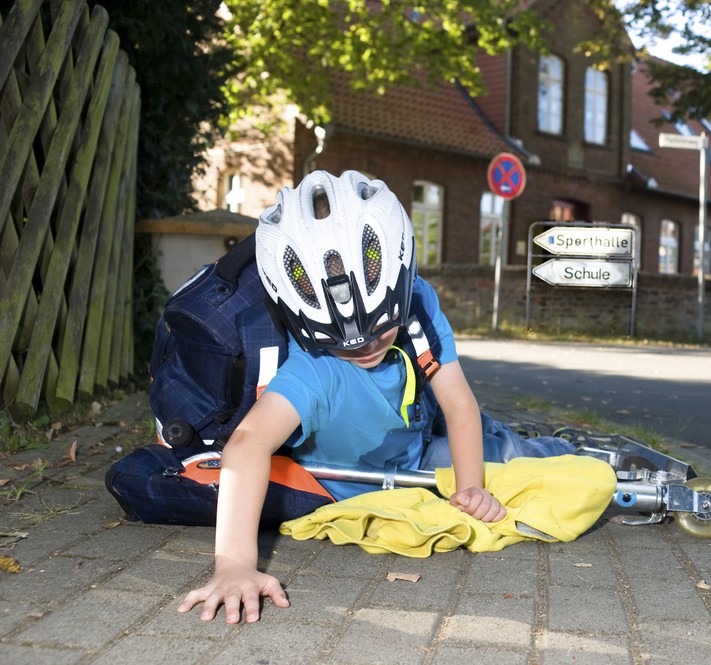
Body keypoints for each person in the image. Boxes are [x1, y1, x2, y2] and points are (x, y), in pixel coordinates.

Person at [177, 170, 575, 624]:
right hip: (398, 467)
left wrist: (470, 489)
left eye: (381, 329)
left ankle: (565, 444)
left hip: (422, 442)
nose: (365, 347)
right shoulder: (314, 370)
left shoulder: (418, 303)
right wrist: (233, 565)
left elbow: (460, 403)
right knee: (502, 451)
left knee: (515, 451)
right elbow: (246, 445)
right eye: (344, 342)